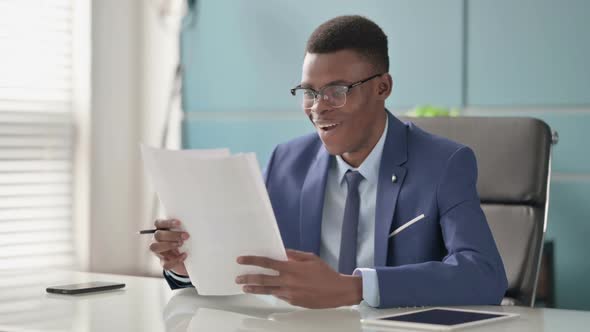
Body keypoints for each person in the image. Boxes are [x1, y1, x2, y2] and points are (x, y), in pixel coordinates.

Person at [149, 15, 508, 309]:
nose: (318, 107)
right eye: (309, 92)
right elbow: (248, 267)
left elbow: (484, 275)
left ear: (383, 87)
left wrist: (354, 288)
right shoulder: (286, 162)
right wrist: (187, 267)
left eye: (337, 91)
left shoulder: (444, 163)